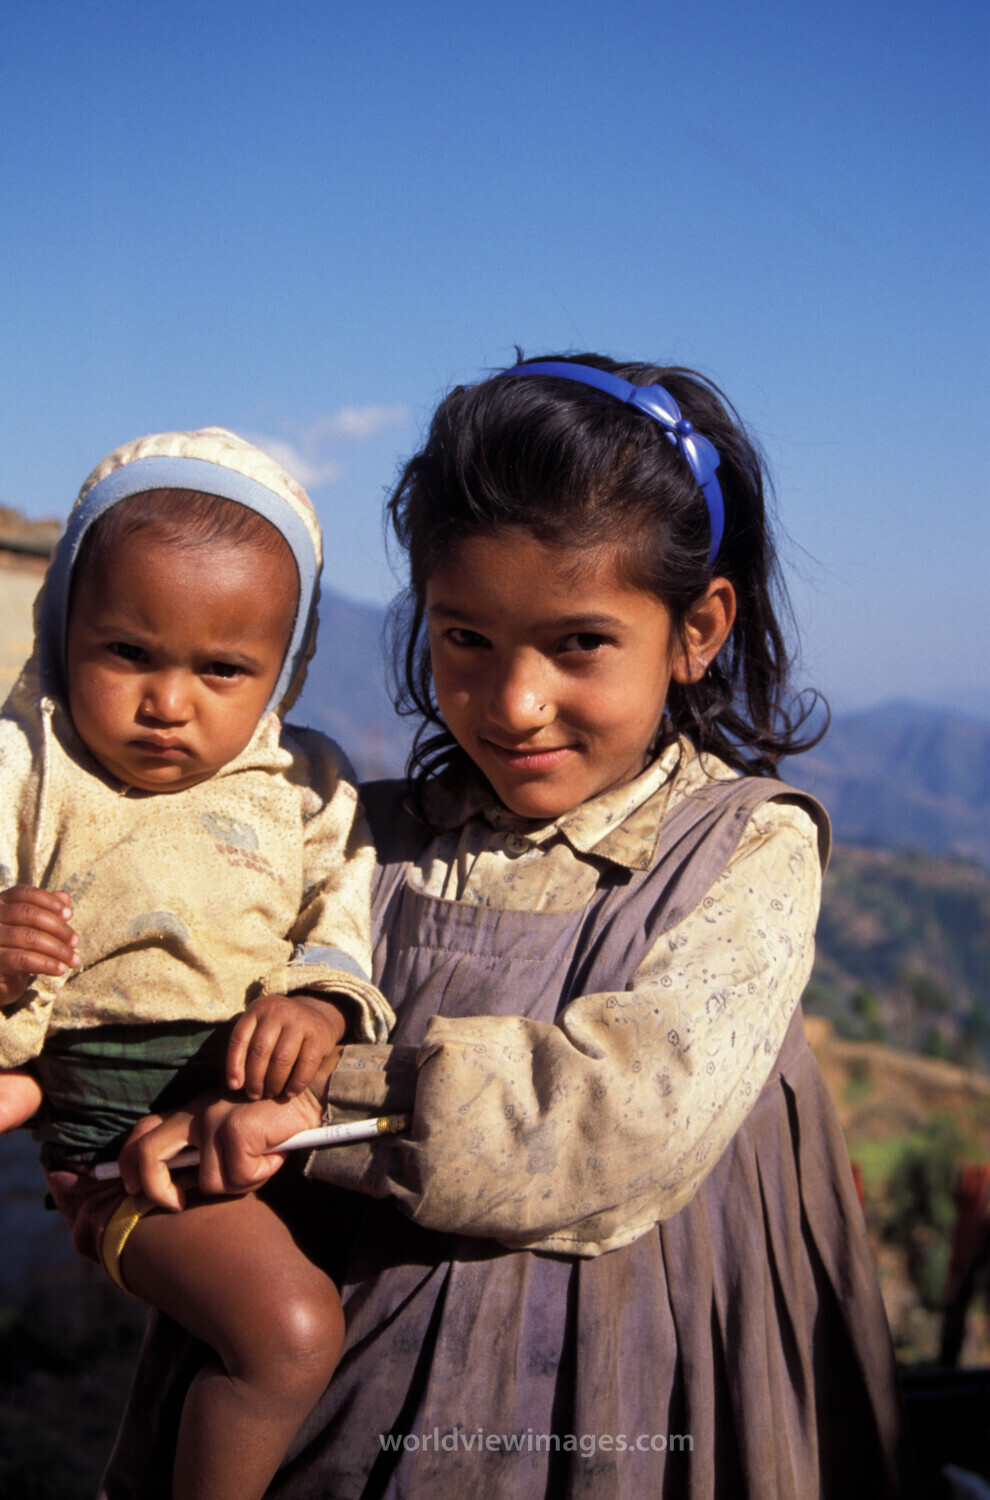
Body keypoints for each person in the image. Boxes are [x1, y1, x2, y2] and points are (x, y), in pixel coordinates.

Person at [103, 358, 910, 1498]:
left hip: (636, 1375)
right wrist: (167, 1109)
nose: (513, 702)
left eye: (579, 644)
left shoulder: (746, 849)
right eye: (465, 640)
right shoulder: (352, 834)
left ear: (699, 628)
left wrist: (306, 1105)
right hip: (345, 1380)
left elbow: (621, 1117)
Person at [0, 427, 394, 1500]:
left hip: (262, 1123)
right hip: (124, 1149)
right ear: (62, 623)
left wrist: (319, 1000)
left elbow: (341, 911)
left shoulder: (304, 785)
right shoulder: (26, 766)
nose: (170, 702)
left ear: (285, 669)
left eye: (223, 669)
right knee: (292, 1334)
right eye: (128, 652)